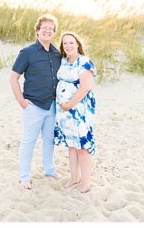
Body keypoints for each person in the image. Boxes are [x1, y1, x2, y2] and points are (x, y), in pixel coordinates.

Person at [10, 14, 62, 190]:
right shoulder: (27, 53)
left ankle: (49, 169)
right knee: (28, 141)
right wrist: (21, 101)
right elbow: (13, 77)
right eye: (44, 28)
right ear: (38, 30)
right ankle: (24, 177)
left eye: (51, 28)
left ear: (54, 32)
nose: (47, 30)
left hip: (52, 105)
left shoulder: (57, 54)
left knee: (49, 140)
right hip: (33, 106)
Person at [53, 32, 96, 193]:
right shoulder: (64, 61)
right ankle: (74, 178)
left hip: (79, 111)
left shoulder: (84, 62)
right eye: (65, 44)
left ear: (78, 44)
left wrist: (69, 104)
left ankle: (85, 183)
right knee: (71, 145)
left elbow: (85, 88)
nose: (68, 46)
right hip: (64, 112)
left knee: (82, 147)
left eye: (71, 43)